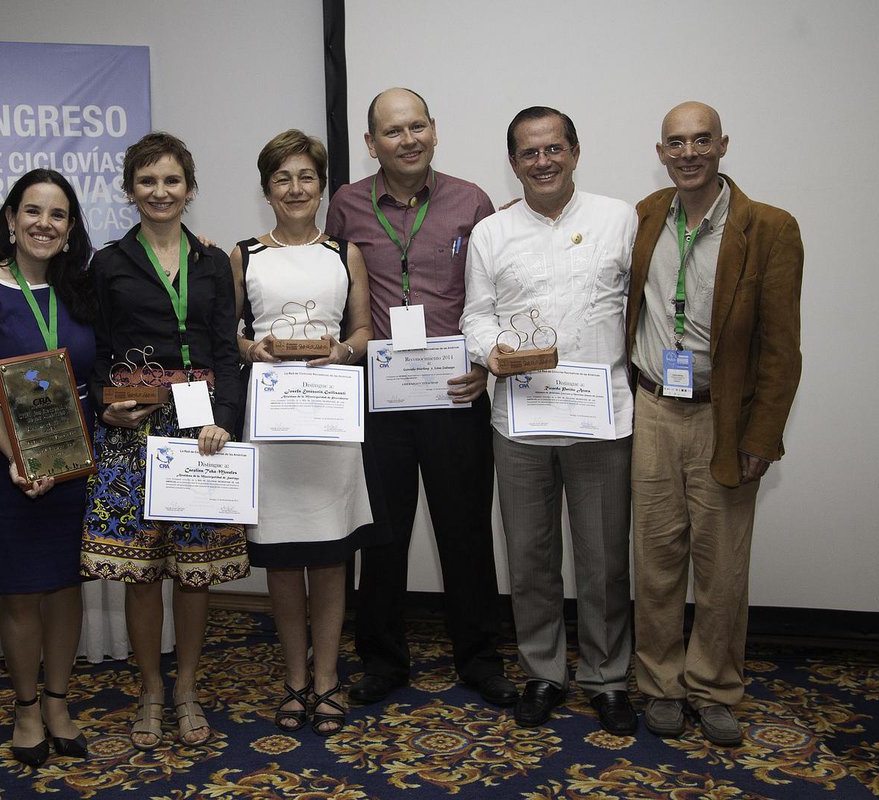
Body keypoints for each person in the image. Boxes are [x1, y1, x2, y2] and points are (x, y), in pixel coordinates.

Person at [326, 87, 509, 707]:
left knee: (466, 531)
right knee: (382, 534)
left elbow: (491, 296)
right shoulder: (347, 205)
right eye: (392, 131)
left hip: (456, 391)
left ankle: (479, 657)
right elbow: (330, 285)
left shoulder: (471, 201)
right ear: (371, 142)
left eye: (416, 127)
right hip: (381, 398)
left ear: (433, 128)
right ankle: (381, 659)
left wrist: (483, 364)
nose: (408, 140)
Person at [627, 101, 803, 746]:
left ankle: (715, 687)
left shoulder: (770, 228)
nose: (689, 153)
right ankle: (660, 685)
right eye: (676, 142)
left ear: (723, 145)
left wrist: (762, 437)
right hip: (653, 408)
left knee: (721, 566)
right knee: (655, 559)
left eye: (702, 140)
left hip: (723, 418)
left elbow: (782, 348)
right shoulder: (647, 215)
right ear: (661, 152)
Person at [461, 107, 637, 734]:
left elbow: (639, 306)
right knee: (530, 557)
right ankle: (543, 672)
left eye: (554, 148)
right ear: (513, 163)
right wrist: (490, 351)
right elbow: (476, 314)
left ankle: (607, 677)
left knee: (604, 560)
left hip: (600, 420)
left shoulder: (620, 219)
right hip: (522, 421)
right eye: (529, 152)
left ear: (575, 152)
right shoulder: (491, 233)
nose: (543, 161)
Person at [81, 132, 248, 750]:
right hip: (133, 430)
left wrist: (225, 418)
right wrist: (107, 409)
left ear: (190, 188)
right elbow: (98, 352)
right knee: (142, 572)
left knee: (195, 572)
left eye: (171, 180)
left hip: (200, 431)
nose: (160, 192)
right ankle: (151, 688)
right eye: (147, 181)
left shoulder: (212, 263)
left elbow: (226, 352)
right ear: (130, 191)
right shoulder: (108, 264)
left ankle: (187, 689)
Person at [231, 130, 381, 736]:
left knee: (329, 553)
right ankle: (295, 677)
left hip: (330, 421)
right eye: (282, 178)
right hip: (271, 424)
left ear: (322, 186)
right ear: (266, 188)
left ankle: (327, 679)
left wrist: (342, 351)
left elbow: (364, 330)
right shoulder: (244, 255)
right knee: (282, 555)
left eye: (306, 177)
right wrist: (253, 349)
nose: (295, 189)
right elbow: (230, 334)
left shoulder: (346, 253)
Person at [0, 169, 96, 767]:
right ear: (12, 220)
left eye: (58, 214)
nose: (45, 224)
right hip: (7, 467)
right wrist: (19, 458)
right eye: (33, 212)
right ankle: (24, 710)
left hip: (74, 459)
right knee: (20, 592)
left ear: (70, 228)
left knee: (66, 586)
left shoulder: (80, 290)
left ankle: (58, 702)